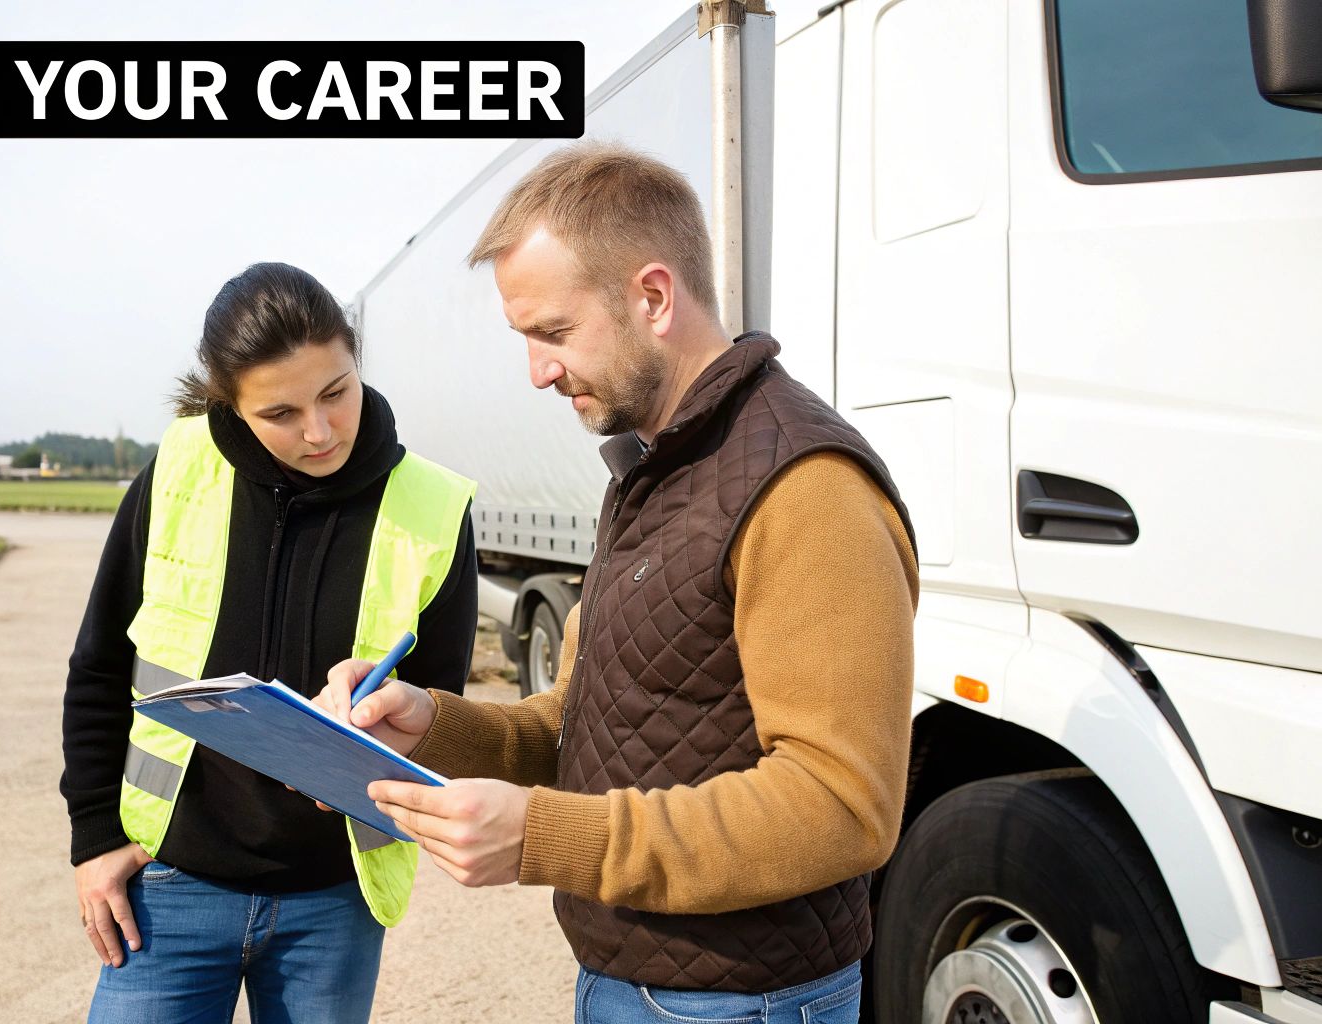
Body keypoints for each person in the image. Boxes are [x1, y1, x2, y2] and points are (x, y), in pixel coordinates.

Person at [316, 141, 920, 1024]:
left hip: (739, 1004)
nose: (538, 370)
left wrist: (544, 836)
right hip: (635, 984)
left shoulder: (804, 484)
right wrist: (431, 725)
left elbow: (840, 806)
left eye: (554, 333)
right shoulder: (655, 470)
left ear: (653, 296)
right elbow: (589, 722)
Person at [60, 262, 479, 1024]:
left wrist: (380, 726)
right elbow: (98, 667)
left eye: (335, 393)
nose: (319, 431)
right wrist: (93, 838)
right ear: (230, 403)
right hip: (170, 885)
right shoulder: (178, 471)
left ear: (357, 361)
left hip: (332, 905)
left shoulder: (435, 506)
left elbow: (442, 716)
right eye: (280, 412)